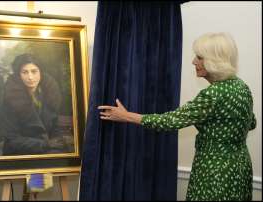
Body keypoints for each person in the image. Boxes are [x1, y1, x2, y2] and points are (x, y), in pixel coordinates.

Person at [98, 33, 256, 201]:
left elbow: (169, 121)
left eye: (199, 57)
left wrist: (125, 115)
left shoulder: (213, 94)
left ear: (215, 61)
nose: (194, 62)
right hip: (240, 167)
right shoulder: (241, 86)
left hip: (215, 172)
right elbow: (251, 123)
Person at [1, 53, 66, 155]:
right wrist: (45, 144)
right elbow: (12, 140)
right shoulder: (10, 100)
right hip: (19, 156)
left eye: (34, 71)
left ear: (41, 72)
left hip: (46, 153)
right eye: (25, 72)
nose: (30, 77)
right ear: (18, 75)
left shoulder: (49, 94)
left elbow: (54, 127)